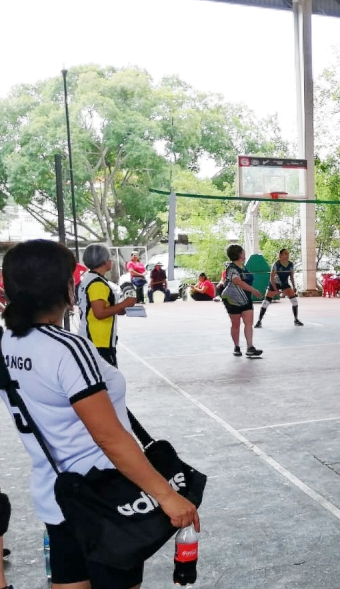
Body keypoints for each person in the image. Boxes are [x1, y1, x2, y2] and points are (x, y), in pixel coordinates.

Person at [0, 239, 200, 589]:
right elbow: (108, 436)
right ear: (64, 287)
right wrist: (166, 496)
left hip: (57, 497)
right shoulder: (66, 348)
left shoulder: (5, 344)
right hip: (105, 501)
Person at [76, 244, 136, 367]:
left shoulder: (89, 279)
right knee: (108, 382)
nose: (111, 261)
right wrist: (126, 303)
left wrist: (119, 309)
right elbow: (99, 313)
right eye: (109, 258)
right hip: (98, 342)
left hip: (94, 339)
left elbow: (94, 308)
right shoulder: (97, 284)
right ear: (104, 261)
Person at [220, 244, 264, 357]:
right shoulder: (231, 268)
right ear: (239, 254)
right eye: (243, 252)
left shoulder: (244, 267)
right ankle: (237, 347)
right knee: (236, 324)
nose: (244, 254)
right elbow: (237, 281)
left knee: (248, 323)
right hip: (232, 299)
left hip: (246, 298)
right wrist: (254, 290)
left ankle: (250, 347)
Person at [256, 248, 303, 328]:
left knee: (294, 301)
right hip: (275, 283)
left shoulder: (291, 264)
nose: (287, 255)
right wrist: (275, 289)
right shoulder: (276, 264)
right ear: (280, 255)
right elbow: (271, 278)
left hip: (285, 284)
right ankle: (259, 321)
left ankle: (296, 319)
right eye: (285, 253)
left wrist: (294, 286)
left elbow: (291, 277)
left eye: (288, 253)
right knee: (266, 302)